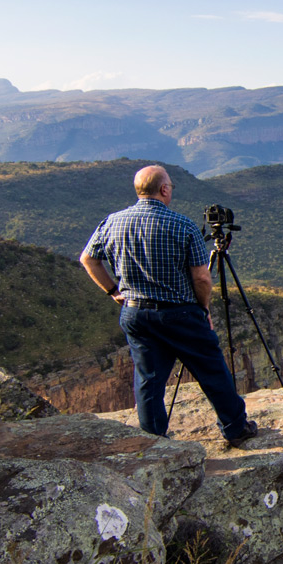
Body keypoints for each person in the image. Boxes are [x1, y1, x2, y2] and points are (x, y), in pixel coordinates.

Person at [80, 164, 258, 447]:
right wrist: (203, 309)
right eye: (171, 186)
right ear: (164, 189)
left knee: (149, 379)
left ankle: (153, 442)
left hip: (136, 312)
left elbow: (88, 259)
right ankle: (236, 428)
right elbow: (201, 277)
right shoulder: (183, 225)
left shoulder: (112, 221)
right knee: (212, 370)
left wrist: (113, 290)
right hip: (180, 313)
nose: (171, 190)